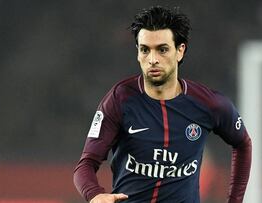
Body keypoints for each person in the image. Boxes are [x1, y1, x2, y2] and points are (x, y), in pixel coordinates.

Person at [73, 6, 252, 203]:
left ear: (180, 51)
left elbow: (243, 143)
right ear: (138, 53)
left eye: (162, 49)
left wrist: (235, 200)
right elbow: (86, 164)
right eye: (145, 50)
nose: (152, 59)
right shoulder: (119, 99)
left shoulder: (209, 103)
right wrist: (95, 194)